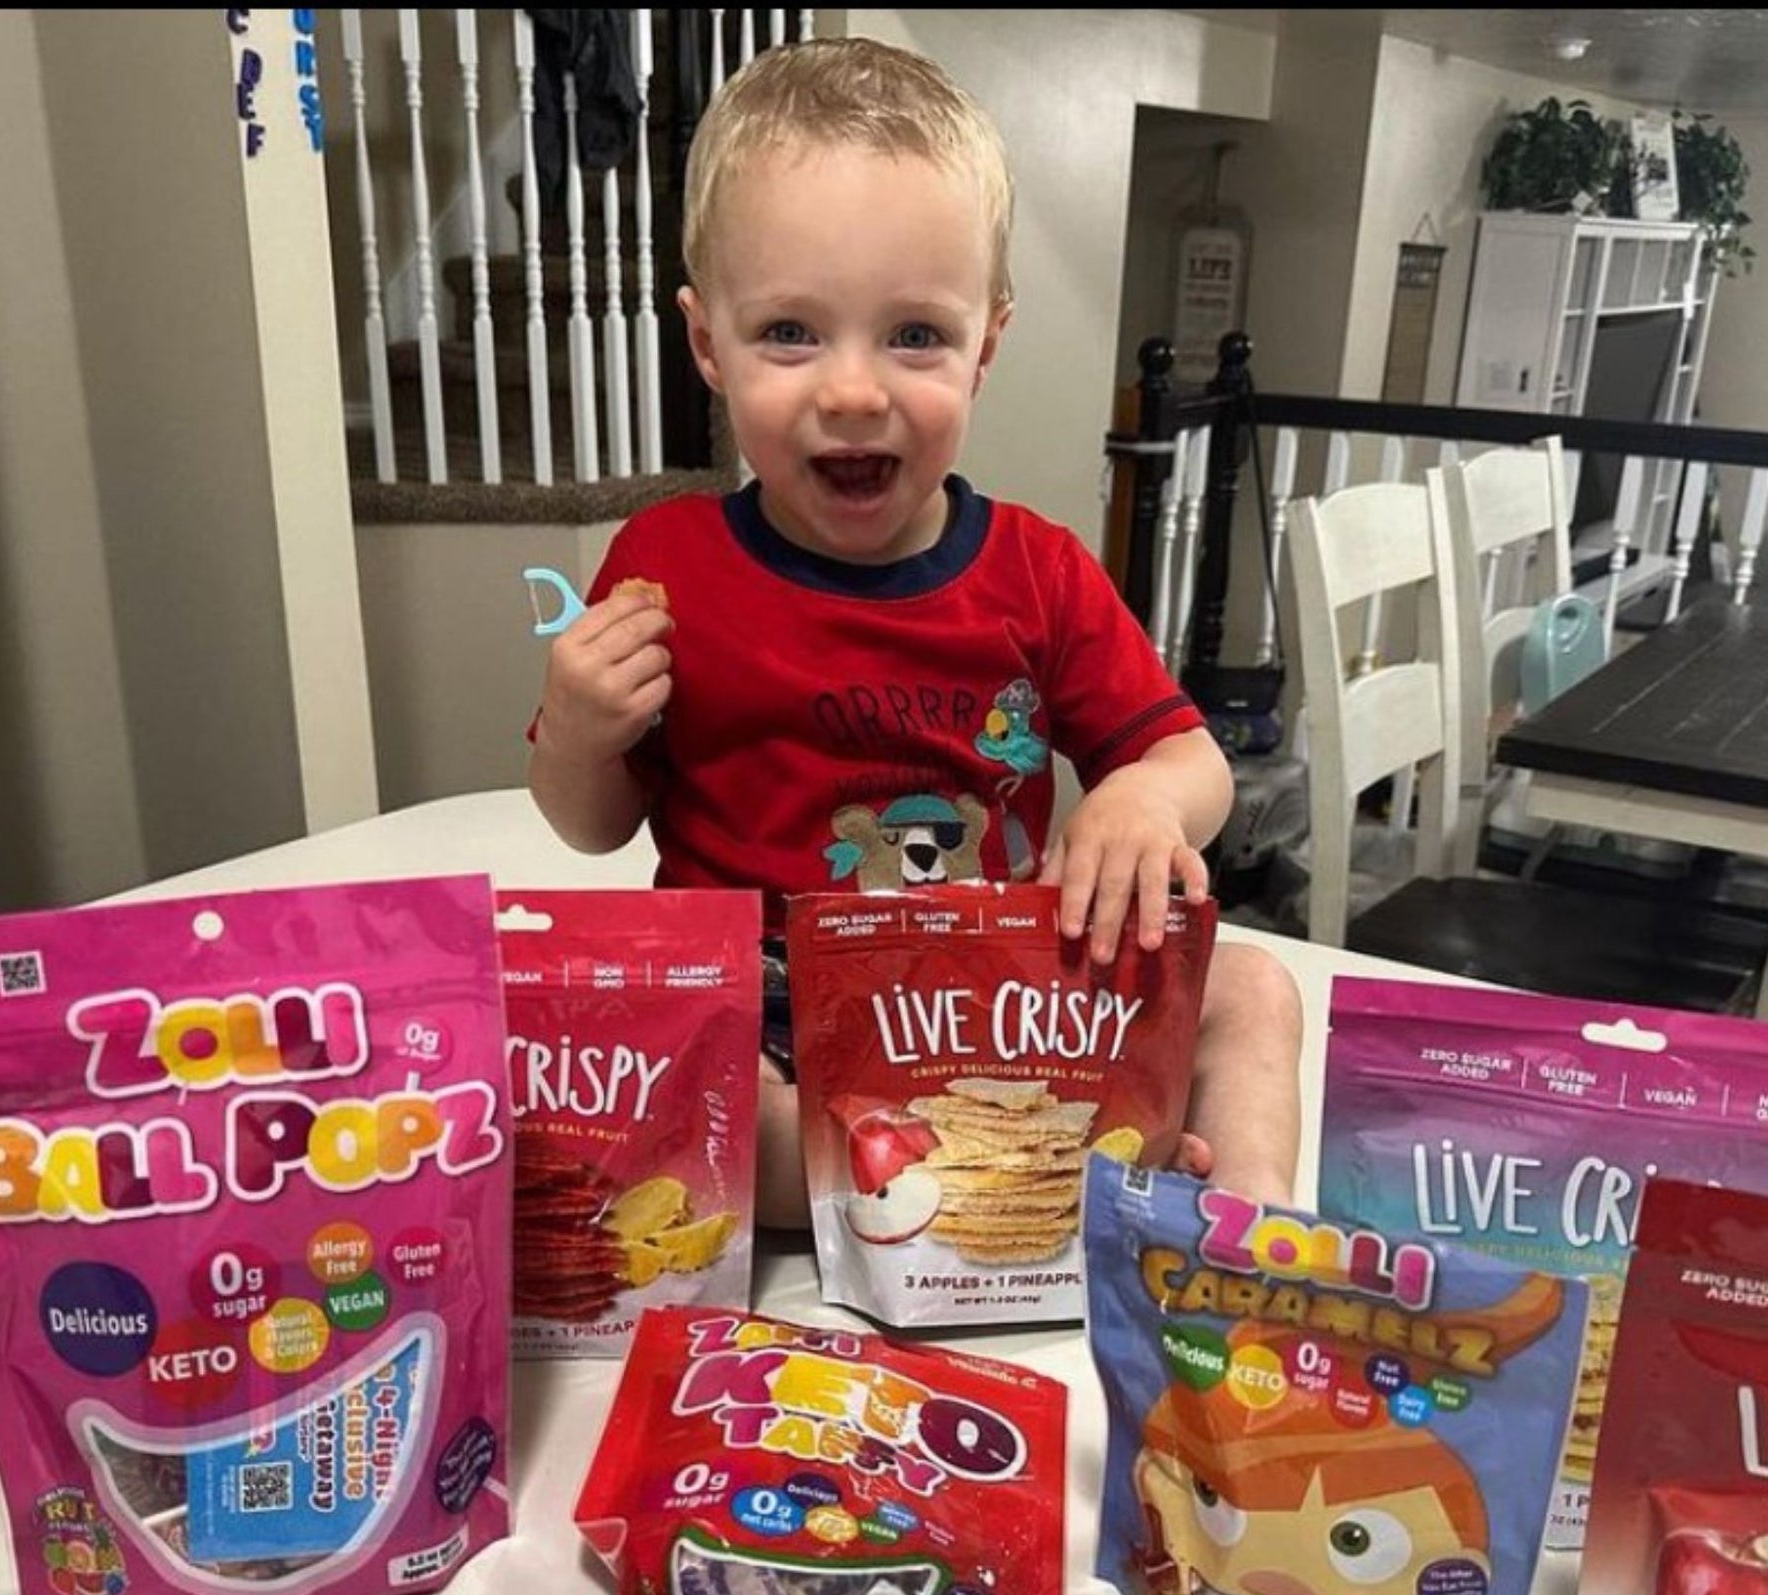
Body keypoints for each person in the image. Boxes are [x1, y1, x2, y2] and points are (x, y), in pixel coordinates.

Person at [528, 35, 1302, 1229]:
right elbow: (593, 825)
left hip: (1007, 1003)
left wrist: (1138, 804)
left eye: (913, 335)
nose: (851, 389)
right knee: (668, 1073)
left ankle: (1245, 1225)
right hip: (768, 1010)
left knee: (1252, 988)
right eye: (789, 332)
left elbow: (1191, 759)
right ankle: (970, 1179)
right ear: (706, 345)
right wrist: (579, 726)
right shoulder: (661, 566)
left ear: (984, 344)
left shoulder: (1036, 571)